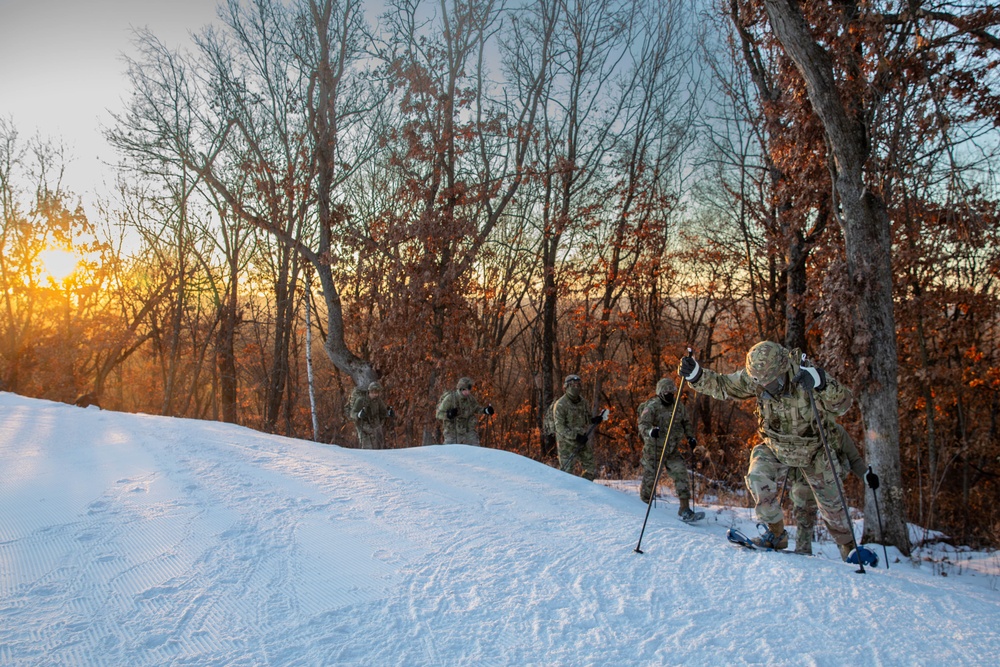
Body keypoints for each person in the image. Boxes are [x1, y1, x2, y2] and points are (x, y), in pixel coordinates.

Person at [679, 341, 859, 560]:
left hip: (814, 451)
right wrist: (696, 375)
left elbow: (843, 403)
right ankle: (775, 533)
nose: (765, 387)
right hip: (776, 447)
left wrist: (820, 382)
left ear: (783, 369)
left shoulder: (806, 377)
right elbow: (724, 385)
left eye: (770, 382)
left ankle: (849, 549)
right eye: (760, 382)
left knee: (832, 506)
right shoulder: (756, 378)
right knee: (757, 475)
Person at [789, 423, 866, 554]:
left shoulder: (836, 431)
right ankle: (802, 551)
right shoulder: (796, 429)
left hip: (830, 483)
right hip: (804, 481)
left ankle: (850, 554)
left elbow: (854, 459)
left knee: (837, 519)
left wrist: (866, 476)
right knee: (803, 514)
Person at [638, 378, 700, 521]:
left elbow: (686, 422)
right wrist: (650, 432)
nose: (669, 395)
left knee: (681, 474)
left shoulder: (678, 406)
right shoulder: (652, 406)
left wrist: (690, 437)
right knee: (650, 479)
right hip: (654, 450)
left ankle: (684, 508)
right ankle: (642, 509)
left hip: (671, 449)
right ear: (660, 392)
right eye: (666, 392)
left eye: (672, 391)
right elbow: (643, 424)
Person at [554, 374, 607, 480]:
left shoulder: (583, 402)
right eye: (573, 385)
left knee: (590, 469)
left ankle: (583, 490)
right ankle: (565, 493)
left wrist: (594, 419)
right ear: (567, 387)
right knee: (566, 472)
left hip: (582, 439)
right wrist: (575, 436)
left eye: (578, 385)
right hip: (566, 442)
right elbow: (560, 428)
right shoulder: (561, 404)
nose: (576, 388)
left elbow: (586, 418)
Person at [435, 377, 494, 445]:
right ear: (460, 389)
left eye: (469, 390)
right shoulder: (451, 398)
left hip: (468, 432)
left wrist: (486, 410)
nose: (467, 392)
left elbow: (476, 408)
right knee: (450, 452)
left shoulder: (470, 399)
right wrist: (449, 414)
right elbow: (438, 414)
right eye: (465, 390)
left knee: (475, 451)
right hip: (453, 433)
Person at [349, 381, 393, 450]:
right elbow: (352, 413)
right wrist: (358, 415)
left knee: (378, 449)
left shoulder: (378, 401)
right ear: (370, 391)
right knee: (367, 449)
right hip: (363, 427)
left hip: (375, 428)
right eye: (374, 392)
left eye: (377, 392)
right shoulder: (361, 400)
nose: (376, 394)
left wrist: (389, 413)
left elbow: (383, 412)